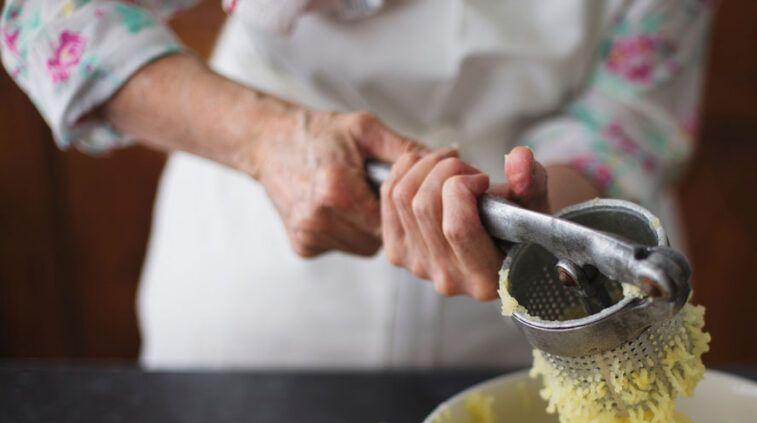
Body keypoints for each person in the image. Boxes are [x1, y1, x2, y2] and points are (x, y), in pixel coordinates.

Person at [1, 0, 712, 368]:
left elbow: (631, 107)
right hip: (259, 296)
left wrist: (539, 212)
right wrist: (263, 139)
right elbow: (47, 12)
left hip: (547, 315)